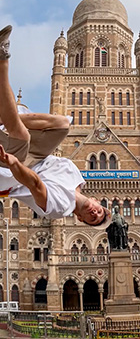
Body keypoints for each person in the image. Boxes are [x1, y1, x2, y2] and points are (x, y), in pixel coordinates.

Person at [0, 25, 110, 229]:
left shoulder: (61, 207)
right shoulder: (77, 176)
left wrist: (14, 163)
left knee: (21, 136)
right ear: (97, 200)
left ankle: (2, 57)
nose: (95, 212)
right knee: (63, 123)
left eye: (93, 218)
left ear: (80, 219)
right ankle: (7, 117)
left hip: (14, 170)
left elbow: (35, 184)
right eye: (100, 210)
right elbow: (49, 157)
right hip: (36, 156)